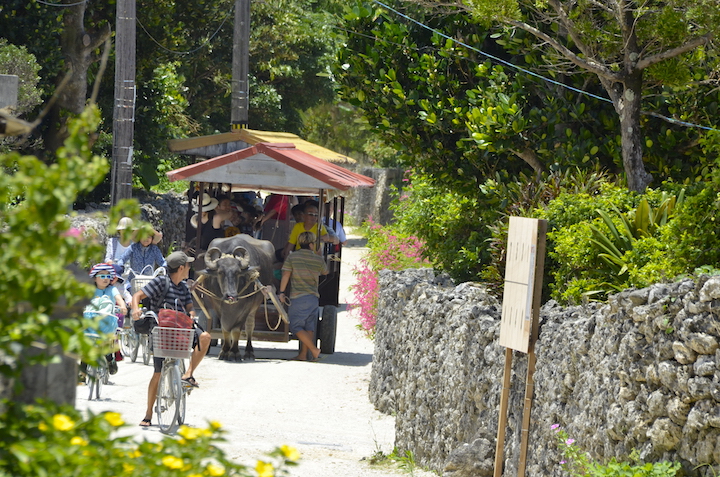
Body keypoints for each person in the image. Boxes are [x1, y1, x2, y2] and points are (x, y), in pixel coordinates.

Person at [130, 251, 211, 427]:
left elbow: (190, 308)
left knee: (205, 337)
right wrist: (136, 310)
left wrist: (190, 314)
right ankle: (148, 414)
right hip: (162, 330)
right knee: (157, 373)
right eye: (188, 265)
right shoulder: (160, 282)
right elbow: (137, 296)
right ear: (181, 268)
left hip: (181, 329)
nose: (190, 268)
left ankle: (188, 373)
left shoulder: (183, 287)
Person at [279, 232, 328, 361]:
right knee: (309, 326)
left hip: (298, 297)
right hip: (313, 297)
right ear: (312, 244)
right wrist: (318, 255)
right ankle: (303, 355)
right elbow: (325, 271)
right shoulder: (318, 259)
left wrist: (281, 292)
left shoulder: (293, 257)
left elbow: (285, 275)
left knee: (295, 327)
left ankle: (313, 349)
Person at [88, 263, 128, 374]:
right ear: (95, 278)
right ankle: (82, 372)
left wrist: (123, 307)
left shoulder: (112, 289)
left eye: (108, 276)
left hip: (108, 322)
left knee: (106, 345)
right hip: (91, 321)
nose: (105, 278)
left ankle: (110, 361)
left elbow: (119, 299)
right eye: (102, 276)